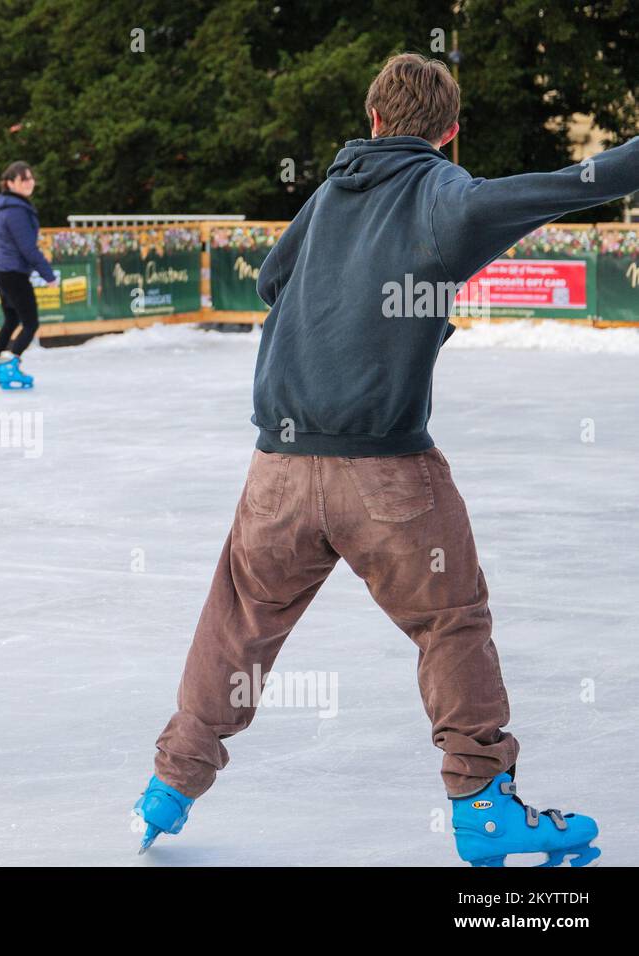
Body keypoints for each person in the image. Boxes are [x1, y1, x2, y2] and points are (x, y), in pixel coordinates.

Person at [135, 53, 639, 864]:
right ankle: (483, 808)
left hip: (278, 468)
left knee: (236, 627)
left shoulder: (328, 190)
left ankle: (169, 784)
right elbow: (575, 182)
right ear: (449, 132)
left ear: (372, 120)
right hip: (387, 475)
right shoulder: (446, 195)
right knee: (450, 621)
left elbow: (273, 280)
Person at [0, 161, 56, 389]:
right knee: (31, 323)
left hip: (3, 272)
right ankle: (10, 366)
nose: (30, 183)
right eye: (24, 179)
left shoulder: (4, 208)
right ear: (11, 183)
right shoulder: (16, 211)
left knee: (12, 319)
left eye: (31, 178)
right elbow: (27, 248)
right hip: (13, 273)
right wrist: (48, 275)